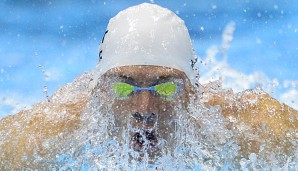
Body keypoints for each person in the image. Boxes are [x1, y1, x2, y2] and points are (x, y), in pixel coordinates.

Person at [0, 3, 296, 170]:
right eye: (123, 89)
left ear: (193, 93)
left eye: (166, 88)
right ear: (99, 91)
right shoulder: (43, 135)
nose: (145, 110)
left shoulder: (252, 127)